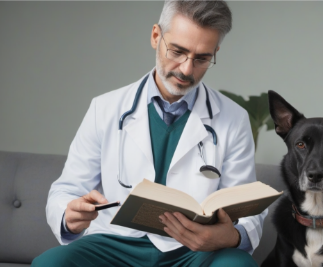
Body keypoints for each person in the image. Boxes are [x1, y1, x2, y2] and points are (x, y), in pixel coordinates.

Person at [33, 1, 268, 266]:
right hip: (115, 244)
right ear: (156, 36)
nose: (186, 70)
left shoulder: (233, 118)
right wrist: (69, 215)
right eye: (177, 51)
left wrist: (232, 236)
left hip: (194, 250)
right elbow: (68, 189)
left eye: (202, 58)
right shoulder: (105, 108)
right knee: (49, 264)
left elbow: (248, 211)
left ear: (215, 51)